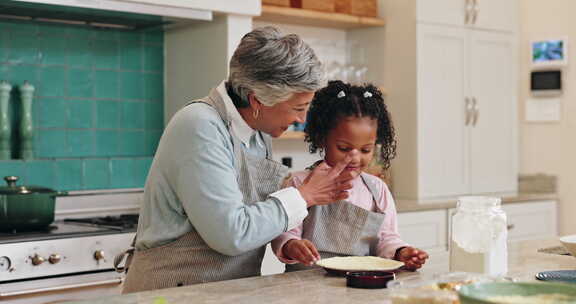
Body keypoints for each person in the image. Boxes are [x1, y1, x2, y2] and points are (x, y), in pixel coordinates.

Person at [120, 27, 358, 293]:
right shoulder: (200, 126)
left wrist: (289, 241)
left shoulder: (258, 133)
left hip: (226, 291)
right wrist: (303, 196)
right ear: (257, 100)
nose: (301, 120)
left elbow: (261, 221)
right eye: (298, 108)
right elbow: (232, 234)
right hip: (170, 292)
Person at [271, 81, 429, 272]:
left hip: (358, 285)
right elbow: (283, 233)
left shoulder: (376, 189)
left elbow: (387, 238)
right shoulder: (299, 183)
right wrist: (292, 246)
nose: (354, 157)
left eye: (366, 150)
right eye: (344, 148)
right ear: (322, 139)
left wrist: (401, 252)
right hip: (306, 287)